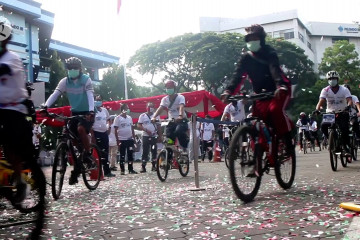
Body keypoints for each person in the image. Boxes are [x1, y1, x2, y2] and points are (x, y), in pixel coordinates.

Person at [221, 24, 295, 157]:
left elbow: (274, 70)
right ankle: (256, 160)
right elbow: (238, 76)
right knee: (255, 123)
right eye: (249, 38)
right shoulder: (246, 58)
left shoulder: (270, 52)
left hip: (279, 90)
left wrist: (280, 86)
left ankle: (288, 141)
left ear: (261, 38)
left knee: (274, 111)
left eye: (254, 38)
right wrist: (228, 91)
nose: (251, 41)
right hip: (259, 94)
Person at [42, 56, 95, 185]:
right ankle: (79, 159)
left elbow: (90, 95)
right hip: (75, 112)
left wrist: (91, 111)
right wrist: (46, 106)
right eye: (70, 68)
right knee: (72, 137)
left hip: (87, 112)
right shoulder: (64, 81)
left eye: (75, 68)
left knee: (81, 129)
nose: (72, 70)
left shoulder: (86, 80)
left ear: (80, 68)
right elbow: (56, 94)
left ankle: (88, 155)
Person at [0, 17, 35, 202]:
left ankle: (20, 181)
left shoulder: (11, 58)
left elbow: (4, 69)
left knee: (11, 144)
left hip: (14, 109)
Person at [314, 70, 353, 155]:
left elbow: (349, 100)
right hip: (330, 113)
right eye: (330, 78)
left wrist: (349, 106)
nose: (332, 80)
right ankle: (331, 141)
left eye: (334, 78)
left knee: (344, 130)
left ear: (337, 79)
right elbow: (321, 101)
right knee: (323, 126)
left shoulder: (344, 89)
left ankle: (346, 147)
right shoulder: (325, 90)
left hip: (343, 112)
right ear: (328, 80)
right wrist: (317, 109)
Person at [151, 80, 189, 153]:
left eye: (170, 87)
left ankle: (184, 147)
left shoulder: (180, 97)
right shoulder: (165, 99)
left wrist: (180, 116)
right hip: (171, 121)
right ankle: (169, 156)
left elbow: (181, 106)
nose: (169, 89)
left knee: (179, 131)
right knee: (169, 137)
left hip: (181, 121)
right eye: (167, 88)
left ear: (174, 88)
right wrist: (154, 117)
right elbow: (160, 108)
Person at [93, 95, 115, 177]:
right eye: (97, 100)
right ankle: (97, 171)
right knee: (96, 152)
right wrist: (92, 135)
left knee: (105, 152)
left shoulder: (105, 110)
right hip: (96, 132)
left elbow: (109, 119)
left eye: (100, 100)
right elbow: (90, 123)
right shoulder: (92, 110)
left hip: (104, 133)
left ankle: (107, 171)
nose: (98, 101)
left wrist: (109, 127)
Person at [114, 103, 138, 175]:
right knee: (122, 155)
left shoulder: (129, 118)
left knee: (130, 154)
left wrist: (134, 139)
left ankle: (130, 169)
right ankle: (122, 170)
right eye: (126, 108)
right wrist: (117, 140)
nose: (128, 109)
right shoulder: (117, 118)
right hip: (122, 140)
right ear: (123, 109)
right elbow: (115, 130)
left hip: (130, 139)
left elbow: (132, 128)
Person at [137, 102, 161, 173]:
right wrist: (146, 130)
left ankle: (154, 166)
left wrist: (160, 136)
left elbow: (159, 126)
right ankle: (143, 166)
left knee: (154, 151)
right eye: (149, 106)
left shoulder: (156, 115)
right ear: (146, 107)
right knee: (145, 151)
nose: (150, 108)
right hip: (145, 136)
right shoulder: (142, 115)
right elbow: (139, 125)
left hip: (154, 136)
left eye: (152, 107)